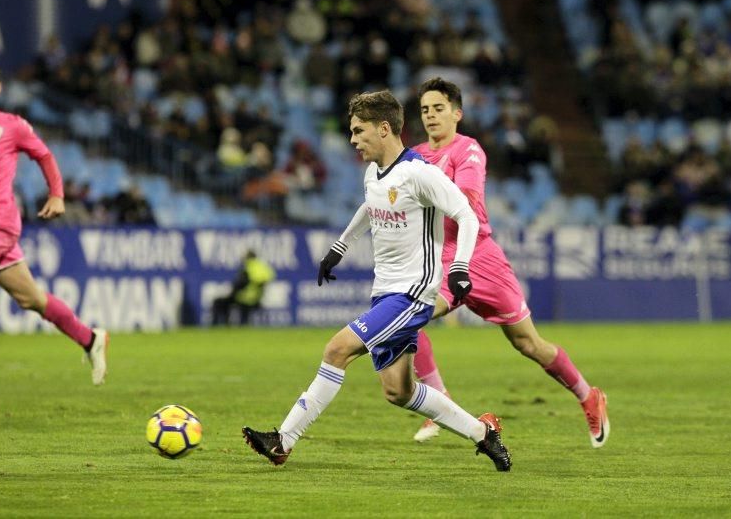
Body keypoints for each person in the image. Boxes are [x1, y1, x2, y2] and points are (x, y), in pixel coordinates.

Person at [242, 90, 511, 471]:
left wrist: (460, 267)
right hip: (385, 292)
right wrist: (339, 246)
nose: (353, 140)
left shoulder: (420, 173)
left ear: (384, 129)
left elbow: (466, 215)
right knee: (398, 391)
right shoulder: (375, 173)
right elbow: (371, 205)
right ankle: (485, 434)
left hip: (413, 294)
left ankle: (283, 439)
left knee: (337, 350)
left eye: (358, 131)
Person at [410, 78, 609, 447]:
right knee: (408, 317)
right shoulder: (416, 155)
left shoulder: (468, 150)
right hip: (439, 257)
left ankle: (587, 395)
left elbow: (467, 197)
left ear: (457, 113)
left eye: (438, 108)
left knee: (529, 344)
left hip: (480, 256)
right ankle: (442, 402)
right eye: (425, 110)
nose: (431, 116)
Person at [0, 56, 108, 385]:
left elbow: (44, 155)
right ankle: (90, 339)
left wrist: (56, 193)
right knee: (32, 299)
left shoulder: (11, 126)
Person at [212, 249, 275, 325]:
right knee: (225, 301)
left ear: (248, 257)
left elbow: (241, 284)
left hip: (244, 298)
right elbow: (269, 277)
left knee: (219, 302)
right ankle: (229, 324)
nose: (243, 259)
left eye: (245, 257)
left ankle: (224, 324)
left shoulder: (249, 267)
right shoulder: (263, 267)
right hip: (257, 298)